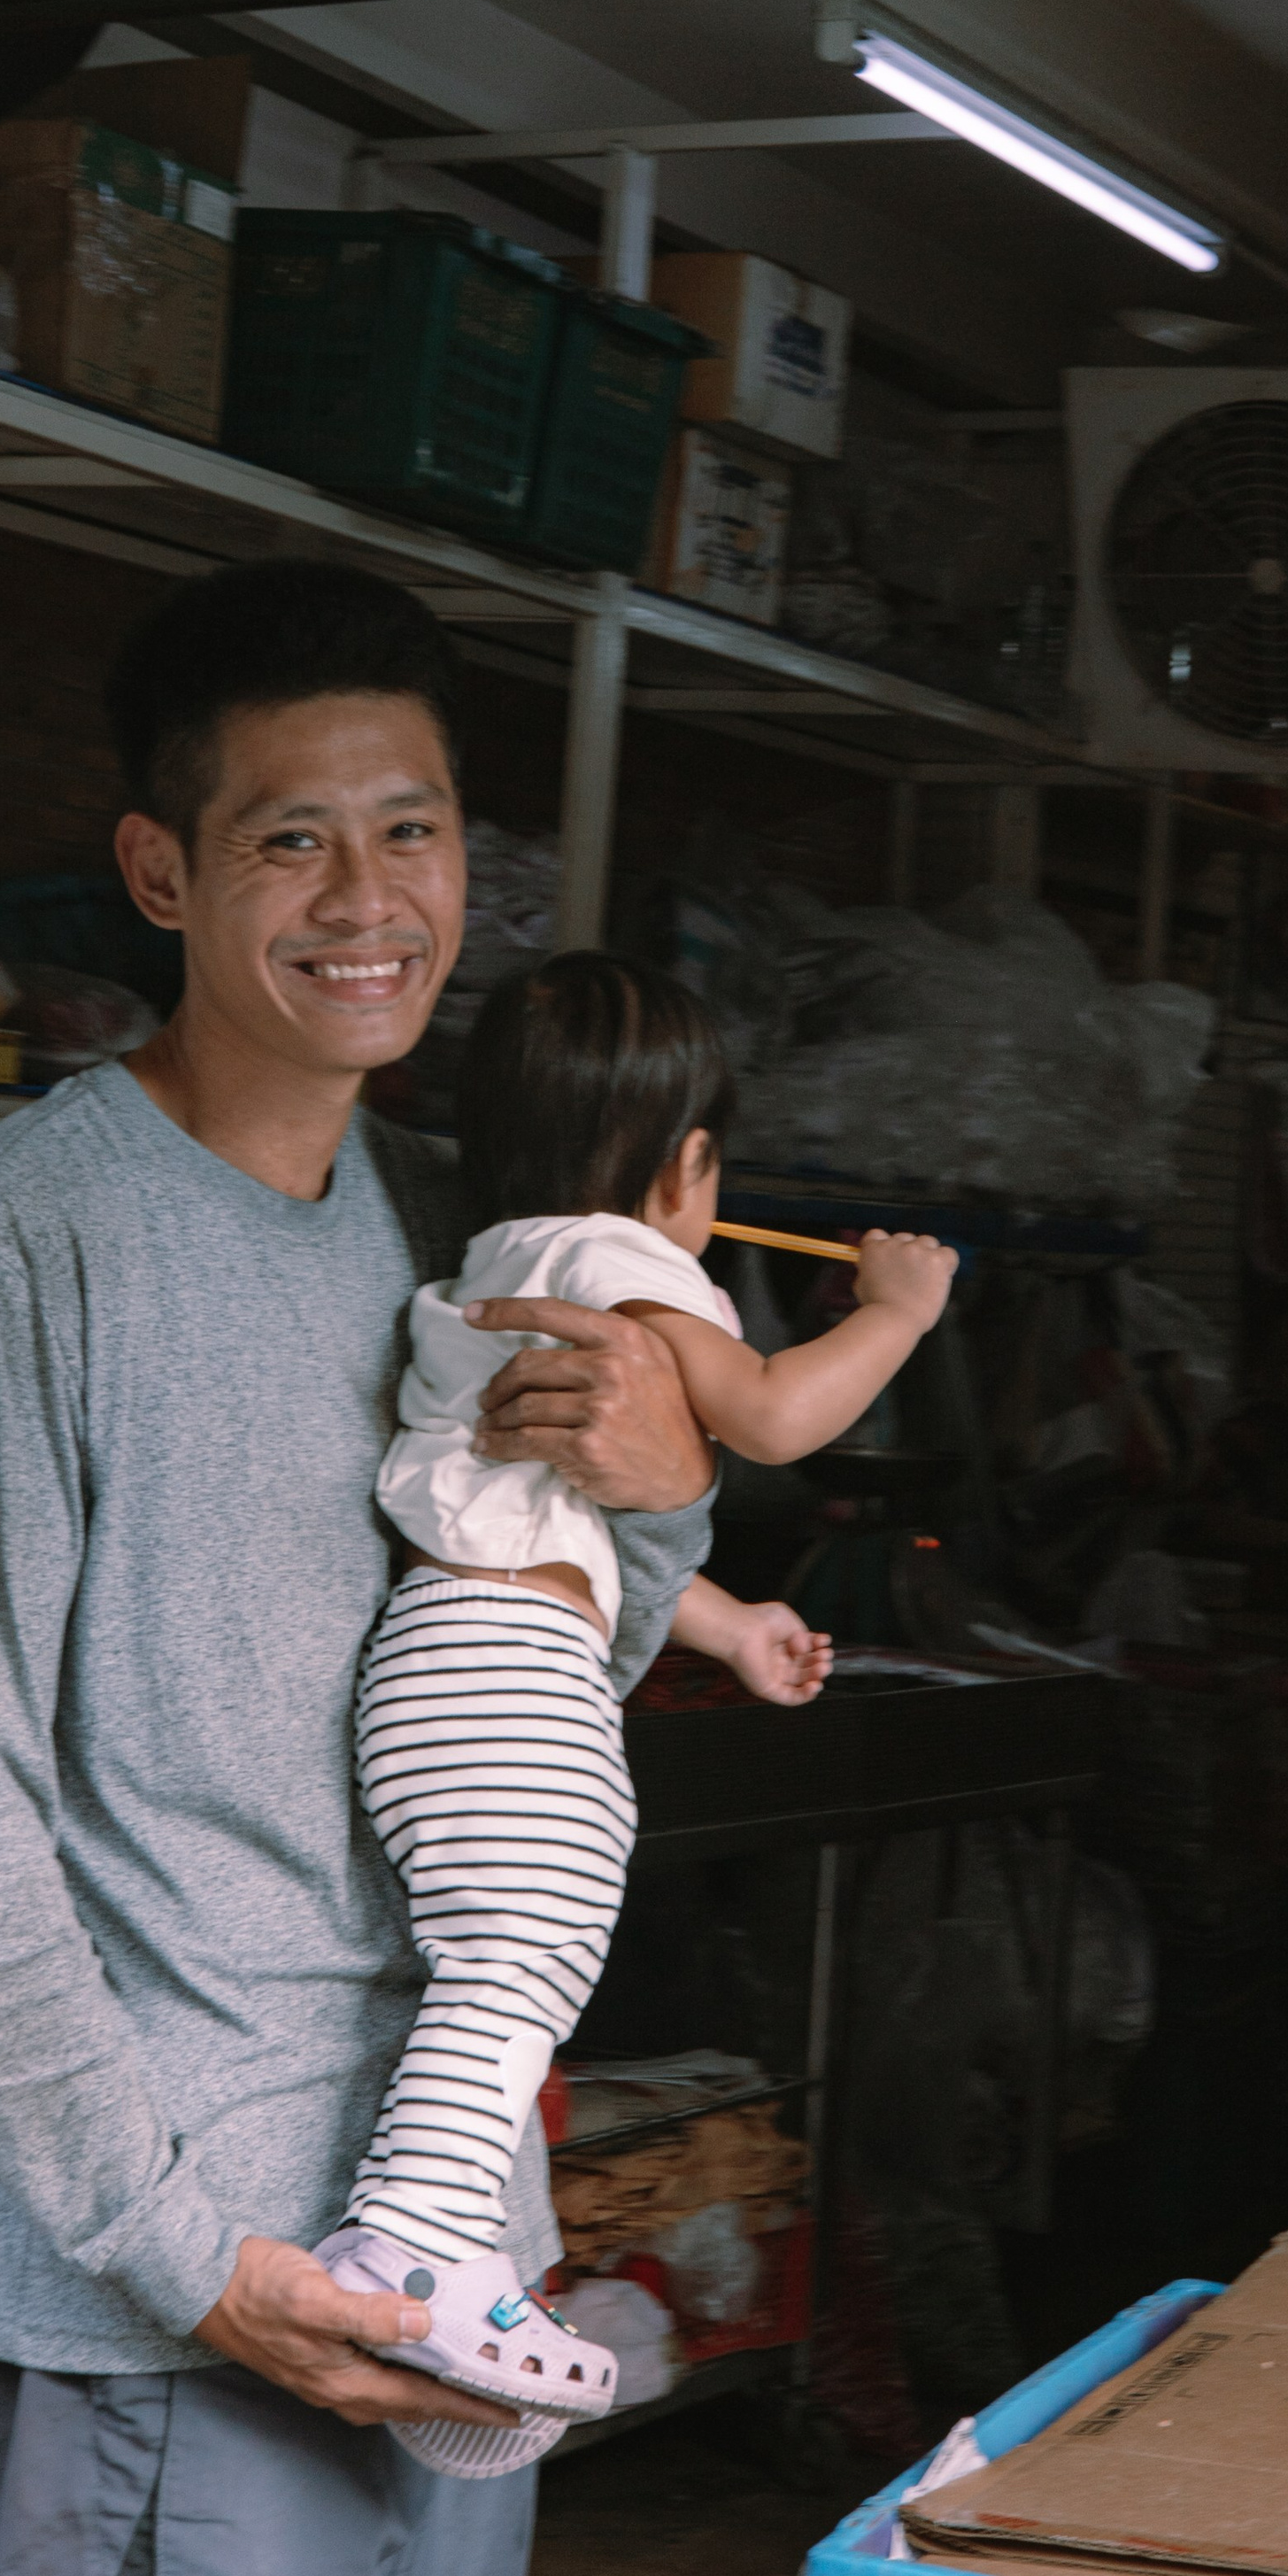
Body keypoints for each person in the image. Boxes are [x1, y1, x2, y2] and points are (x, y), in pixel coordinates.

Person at [0, 561, 718, 2576]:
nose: (364, 900)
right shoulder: (24, 1251)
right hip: (198, 2303)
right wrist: (177, 2254)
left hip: (444, 2259)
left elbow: (546, 1645)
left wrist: (668, 1492)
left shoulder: (432, 1228)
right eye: (288, 840)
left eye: (406, 830)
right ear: (161, 869)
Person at [317, 952, 956, 2469]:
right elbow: (784, 1418)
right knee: (519, 1959)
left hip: (448, 1652)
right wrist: (897, 1312)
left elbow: (558, 1524)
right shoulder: (624, 1262)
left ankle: (444, 2251)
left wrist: (732, 1630)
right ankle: (409, 2254)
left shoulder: (497, 1260)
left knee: (504, 1963)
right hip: (506, 1673)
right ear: (689, 1167)